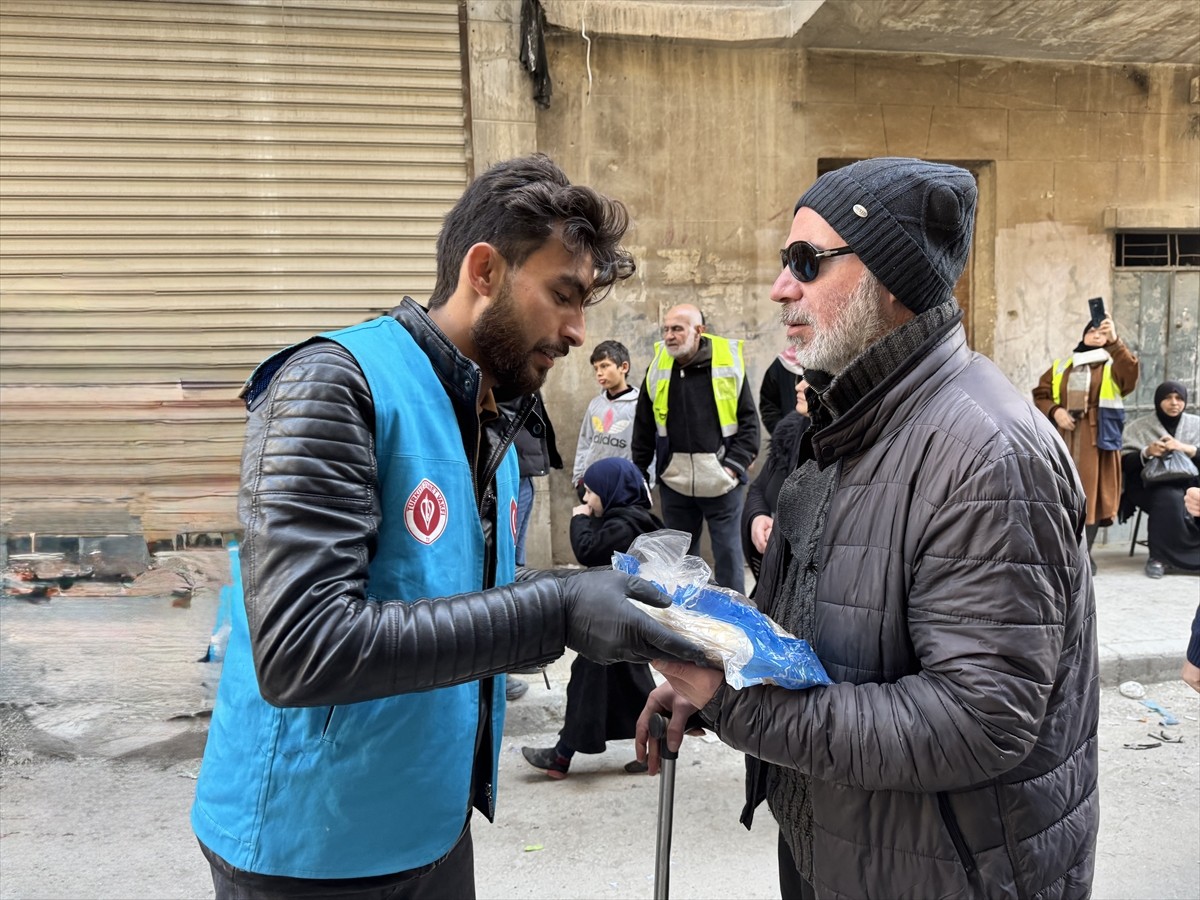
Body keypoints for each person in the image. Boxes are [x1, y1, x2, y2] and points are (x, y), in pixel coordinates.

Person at [189, 154, 704, 899]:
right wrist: (557, 607)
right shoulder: (334, 384)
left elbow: (448, 588)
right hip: (311, 849)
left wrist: (602, 601)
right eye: (563, 295)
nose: (575, 331)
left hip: (430, 826)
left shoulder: (489, 417)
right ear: (485, 270)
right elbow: (301, 649)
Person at [636, 157, 1099, 899]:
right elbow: (818, 629)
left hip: (943, 874)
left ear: (891, 279)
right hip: (839, 853)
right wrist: (721, 672)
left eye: (805, 263)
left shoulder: (988, 451)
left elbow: (975, 721)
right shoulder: (848, 421)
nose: (780, 286)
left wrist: (734, 701)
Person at [521, 457, 664, 779]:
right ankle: (655, 741)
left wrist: (579, 521)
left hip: (615, 624)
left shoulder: (624, 526)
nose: (585, 500)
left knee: (588, 681)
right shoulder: (633, 518)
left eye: (591, 493)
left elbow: (589, 551)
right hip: (624, 622)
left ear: (610, 492)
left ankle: (561, 756)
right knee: (631, 685)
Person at [631, 303, 759, 594]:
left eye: (677, 328)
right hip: (674, 484)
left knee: (728, 558)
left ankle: (733, 621)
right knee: (680, 562)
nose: (669, 335)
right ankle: (689, 622)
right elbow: (643, 427)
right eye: (665, 329)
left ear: (699, 331)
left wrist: (733, 467)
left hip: (722, 484)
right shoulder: (658, 368)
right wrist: (642, 475)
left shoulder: (727, 364)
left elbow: (750, 423)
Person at [1032, 313, 1139, 573]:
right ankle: (1062, 553)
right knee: (1061, 492)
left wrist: (1115, 343)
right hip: (1065, 437)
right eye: (1091, 331)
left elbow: (1131, 377)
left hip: (1098, 441)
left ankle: (1084, 554)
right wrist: (1056, 411)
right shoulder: (1063, 365)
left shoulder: (1113, 364)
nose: (1096, 335)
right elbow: (1041, 393)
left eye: (1102, 332)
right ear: (1083, 335)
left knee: (1091, 498)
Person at [1120, 380, 1200, 578]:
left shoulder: (1196, 425)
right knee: (1168, 498)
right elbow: (1124, 463)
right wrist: (1147, 452)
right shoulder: (1139, 427)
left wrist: (1186, 448)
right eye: (1168, 398)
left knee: (1193, 498)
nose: (1174, 403)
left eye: (1179, 398)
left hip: (1191, 484)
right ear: (1157, 401)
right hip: (1149, 487)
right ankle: (1159, 559)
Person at [742, 378, 810, 587]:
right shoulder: (789, 431)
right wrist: (757, 518)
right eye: (799, 376)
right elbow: (759, 488)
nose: (798, 385)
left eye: (808, 377)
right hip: (776, 576)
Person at [572, 340, 640, 499]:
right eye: (596, 368)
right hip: (593, 484)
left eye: (604, 366)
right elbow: (585, 442)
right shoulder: (595, 405)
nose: (599, 373)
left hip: (625, 485)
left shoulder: (638, 405)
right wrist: (579, 479)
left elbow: (648, 448)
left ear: (623, 367)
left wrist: (644, 482)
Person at [758, 344, 804, 436]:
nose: (799, 387)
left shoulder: (831, 363)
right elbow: (768, 405)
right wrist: (783, 434)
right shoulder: (781, 365)